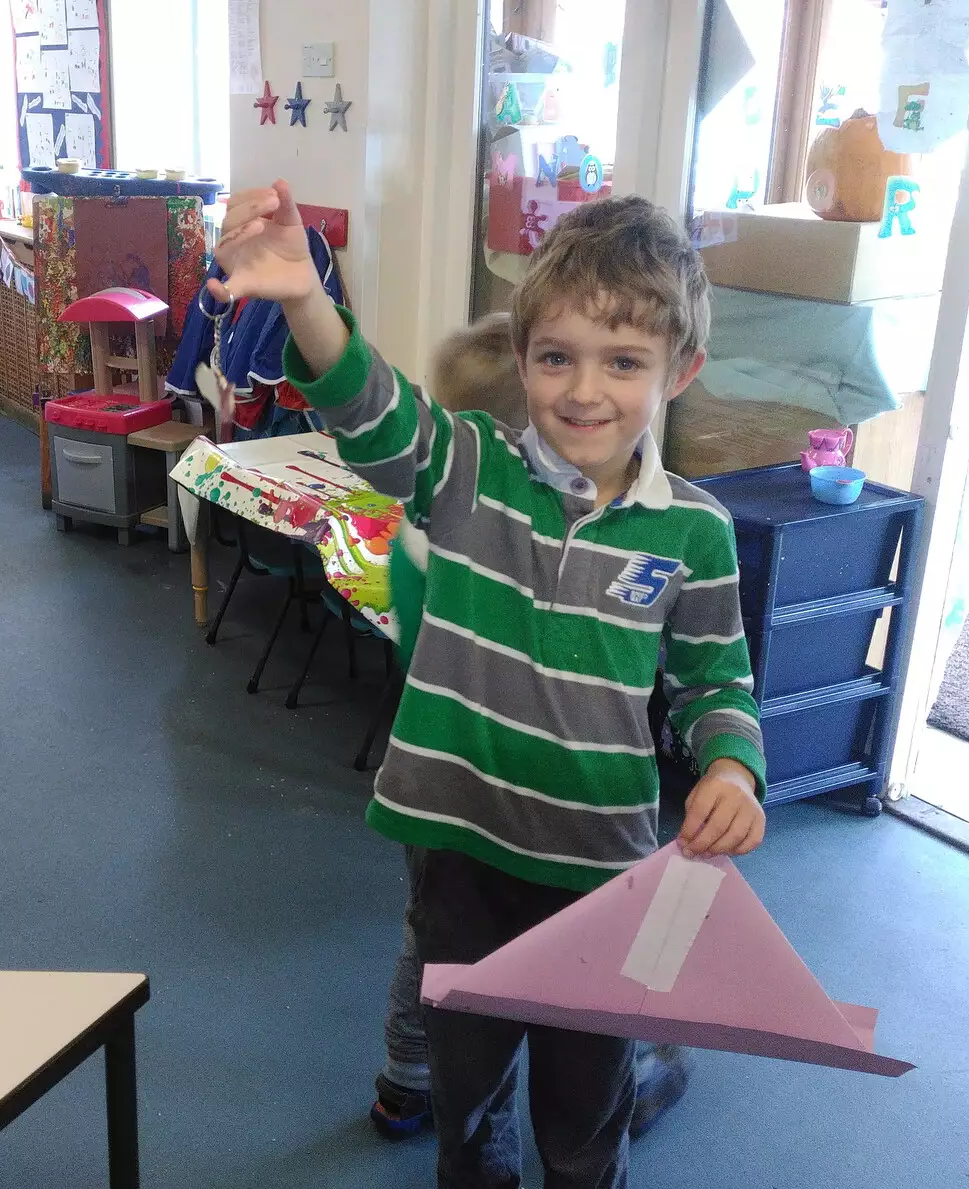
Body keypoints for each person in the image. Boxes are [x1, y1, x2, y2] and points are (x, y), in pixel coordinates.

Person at [211, 181, 768, 1189]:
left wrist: (730, 766)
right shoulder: (470, 469)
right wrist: (303, 299)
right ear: (520, 358)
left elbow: (714, 679)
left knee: (584, 1120)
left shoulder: (694, 532)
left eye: (623, 362)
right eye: (556, 356)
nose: (583, 391)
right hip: (458, 861)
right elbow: (371, 411)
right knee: (467, 1112)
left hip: (600, 877)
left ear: (677, 371)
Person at [371, 315, 693, 1147]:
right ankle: (624, 1063)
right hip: (478, 802)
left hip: (469, 800)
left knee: (439, 949)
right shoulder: (469, 532)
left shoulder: (427, 532)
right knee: (505, 961)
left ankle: (410, 1080)